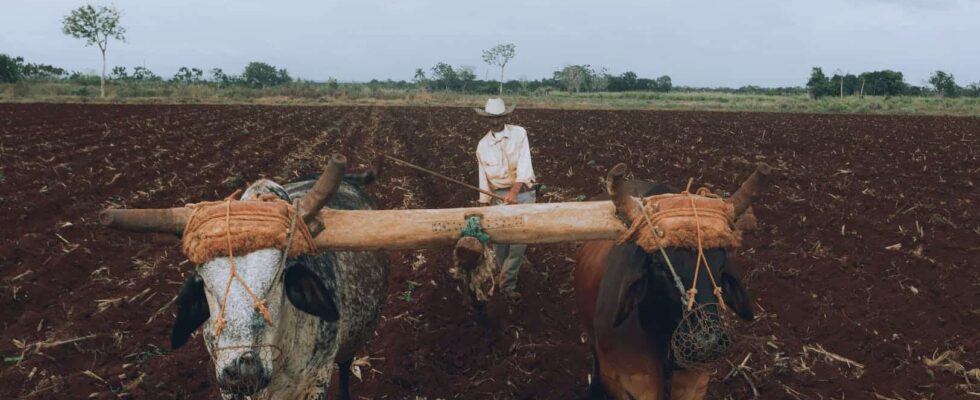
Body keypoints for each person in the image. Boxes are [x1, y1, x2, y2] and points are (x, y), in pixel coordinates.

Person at [474, 98, 536, 301]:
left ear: (506, 116)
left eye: (498, 117)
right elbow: (483, 180)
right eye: (491, 118)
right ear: (486, 119)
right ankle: (505, 277)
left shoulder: (519, 134)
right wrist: (483, 207)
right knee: (500, 243)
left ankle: (507, 285)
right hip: (498, 196)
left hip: (522, 192)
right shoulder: (482, 146)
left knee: (518, 241)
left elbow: (525, 166)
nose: (494, 122)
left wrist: (515, 192)